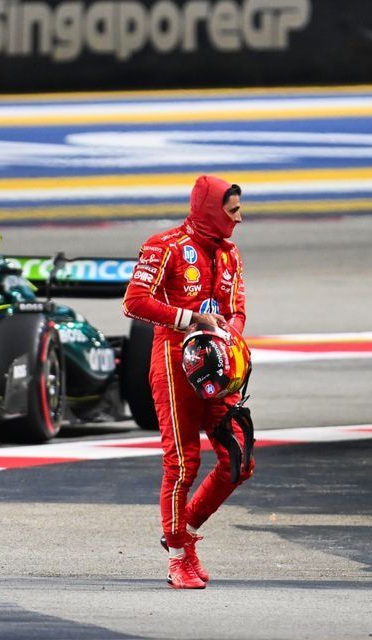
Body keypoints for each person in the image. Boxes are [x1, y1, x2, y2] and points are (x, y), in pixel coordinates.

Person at [122, 175, 253, 589]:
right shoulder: (165, 246)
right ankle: (178, 556)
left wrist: (229, 337)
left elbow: (237, 309)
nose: (239, 218)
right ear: (213, 210)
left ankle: (183, 531)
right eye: (232, 211)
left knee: (240, 460)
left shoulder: (230, 254)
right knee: (183, 464)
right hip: (174, 361)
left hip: (218, 366)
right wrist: (192, 319)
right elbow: (134, 302)